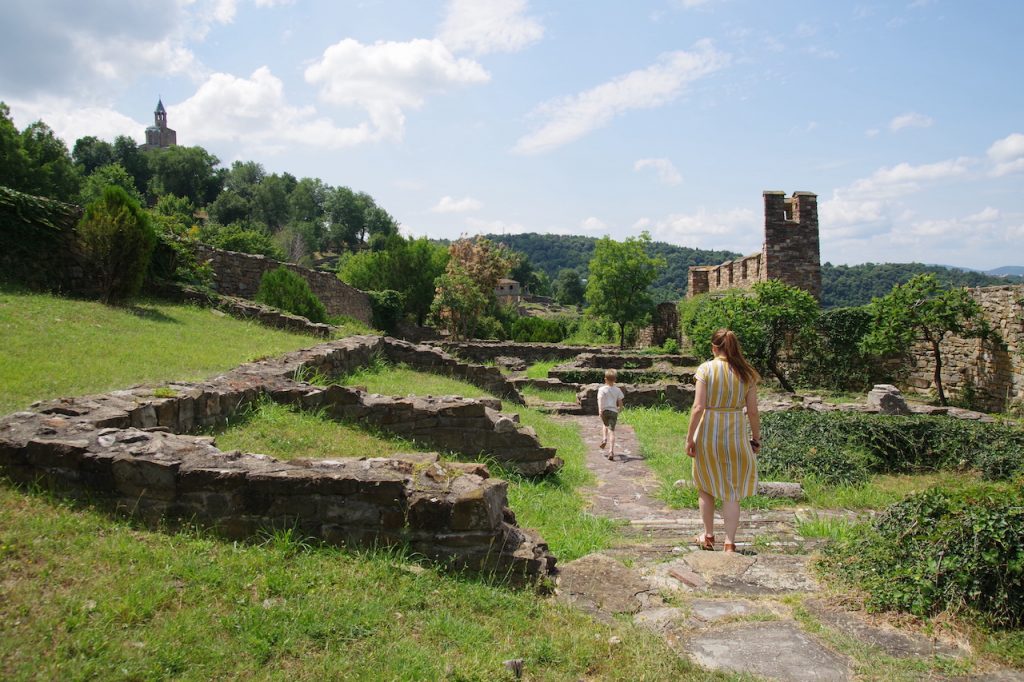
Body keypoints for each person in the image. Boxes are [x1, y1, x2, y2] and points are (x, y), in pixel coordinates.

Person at [685, 329, 761, 553]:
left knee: (705, 487)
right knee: (732, 490)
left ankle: (708, 536)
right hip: (736, 434)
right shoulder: (747, 373)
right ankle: (730, 542)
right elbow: (753, 412)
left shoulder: (706, 369)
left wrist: (689, 438)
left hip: (708, 433)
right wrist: (756, 438)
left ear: (713, 348)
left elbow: (698, 407)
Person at [597, 368, 625, 460]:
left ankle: (604, 439)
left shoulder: (602, 389)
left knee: (605, 424)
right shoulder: (617, 390)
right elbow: (620, 401)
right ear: (615, 380)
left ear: (605, 379)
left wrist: (600, 409)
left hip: (605, 410)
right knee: (611, 431)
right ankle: (611, 451)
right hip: (613, 411)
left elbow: (600, 399)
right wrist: (620, 409)